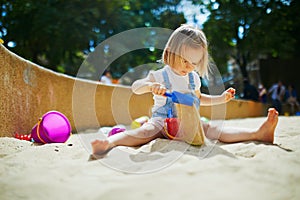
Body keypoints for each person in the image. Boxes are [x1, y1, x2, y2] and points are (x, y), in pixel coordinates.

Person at [91, 24, 279, 156]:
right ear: (171, 52)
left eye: (194, 63)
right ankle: (110, 143)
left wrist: (220, 99)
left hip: (188, 123)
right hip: (162, 123)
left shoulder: (193, 78)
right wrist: (150, 87)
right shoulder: (160, 75)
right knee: (145, 131)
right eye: (184, 60)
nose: (188, 66)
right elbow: (135, 87)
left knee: (212, 128)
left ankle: (257, 134)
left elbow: (199, 99)